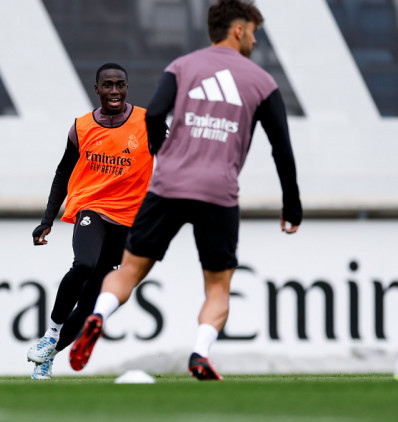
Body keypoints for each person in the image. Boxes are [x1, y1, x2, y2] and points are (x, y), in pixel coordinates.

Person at [69, 0, 302, 381]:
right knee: (218, 285)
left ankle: (98, 316)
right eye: (253, 32)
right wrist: (292, 204)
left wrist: (167, 154)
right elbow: (282, 147)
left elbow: (154, 114)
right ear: (238, 30)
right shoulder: (262, 82)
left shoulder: (182, 66)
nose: (255, 40)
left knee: (130, 269)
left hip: (169, 185)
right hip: (219, 192)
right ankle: (200, 352)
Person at [26, 63, 155, 380]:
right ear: (96, 89)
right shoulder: (81, 128)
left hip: (130, 221)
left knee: (89, 305)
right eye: (107, 85)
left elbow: (177, 157)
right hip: (92, 209)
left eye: (120, 84)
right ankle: (51, 333)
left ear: (127, 87)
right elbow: (62, 173)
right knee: (83, 264)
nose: (114, 91)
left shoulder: (148, 123)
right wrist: (47, 219)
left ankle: (47, 357)